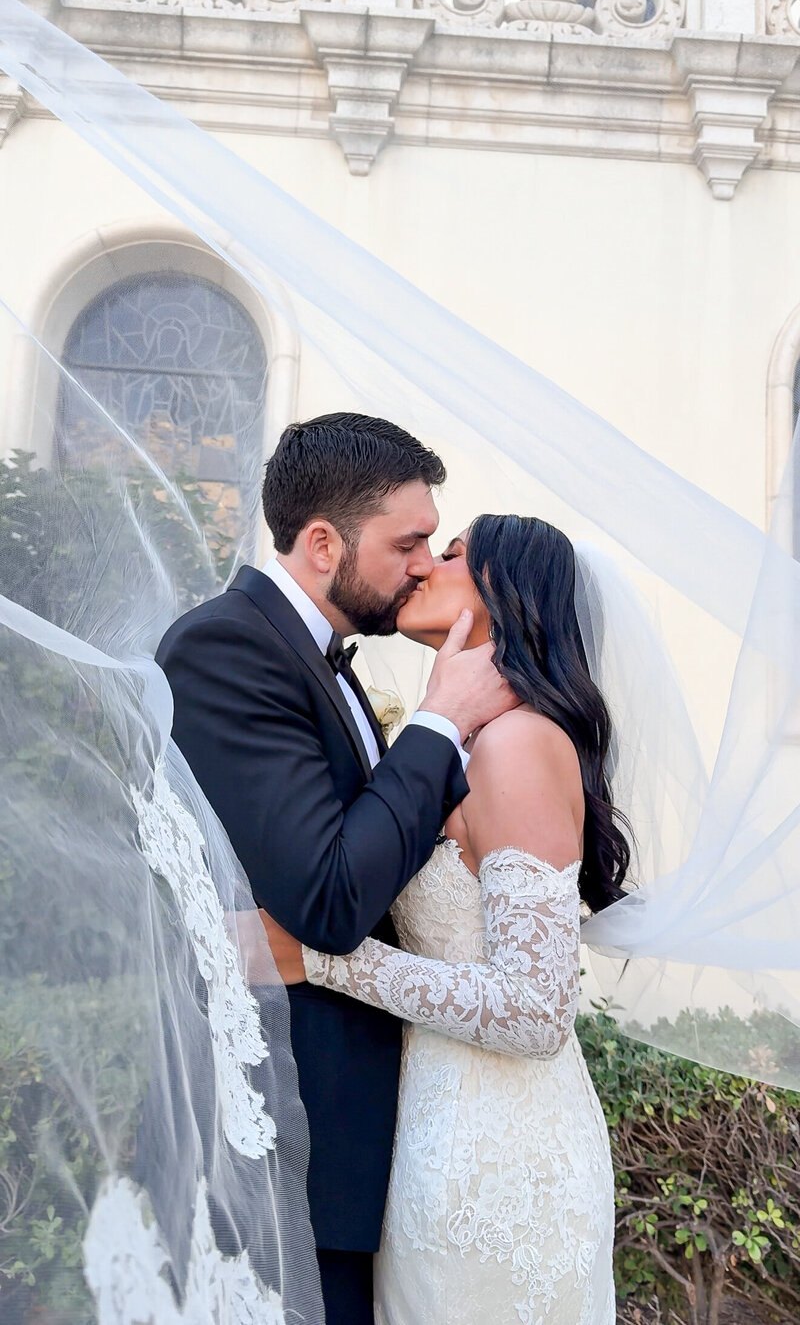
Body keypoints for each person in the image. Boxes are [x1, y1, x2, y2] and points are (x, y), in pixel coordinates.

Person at [155, 414, 518, 1325]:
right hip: (284, 1148)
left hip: (352, 1154)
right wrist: (438, 722)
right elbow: (329, 895)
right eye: (408, 542)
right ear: (323, 543)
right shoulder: (227, 648)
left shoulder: (328, 662)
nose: (425, 563)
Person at [268, 514, 628, 1324]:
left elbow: (536, 1010)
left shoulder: (518, 744)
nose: (425, 565)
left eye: (454, 553)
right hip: (433, 1138)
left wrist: (321, 960)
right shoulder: (458, 744)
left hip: (505, 1162)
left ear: (507, 593)